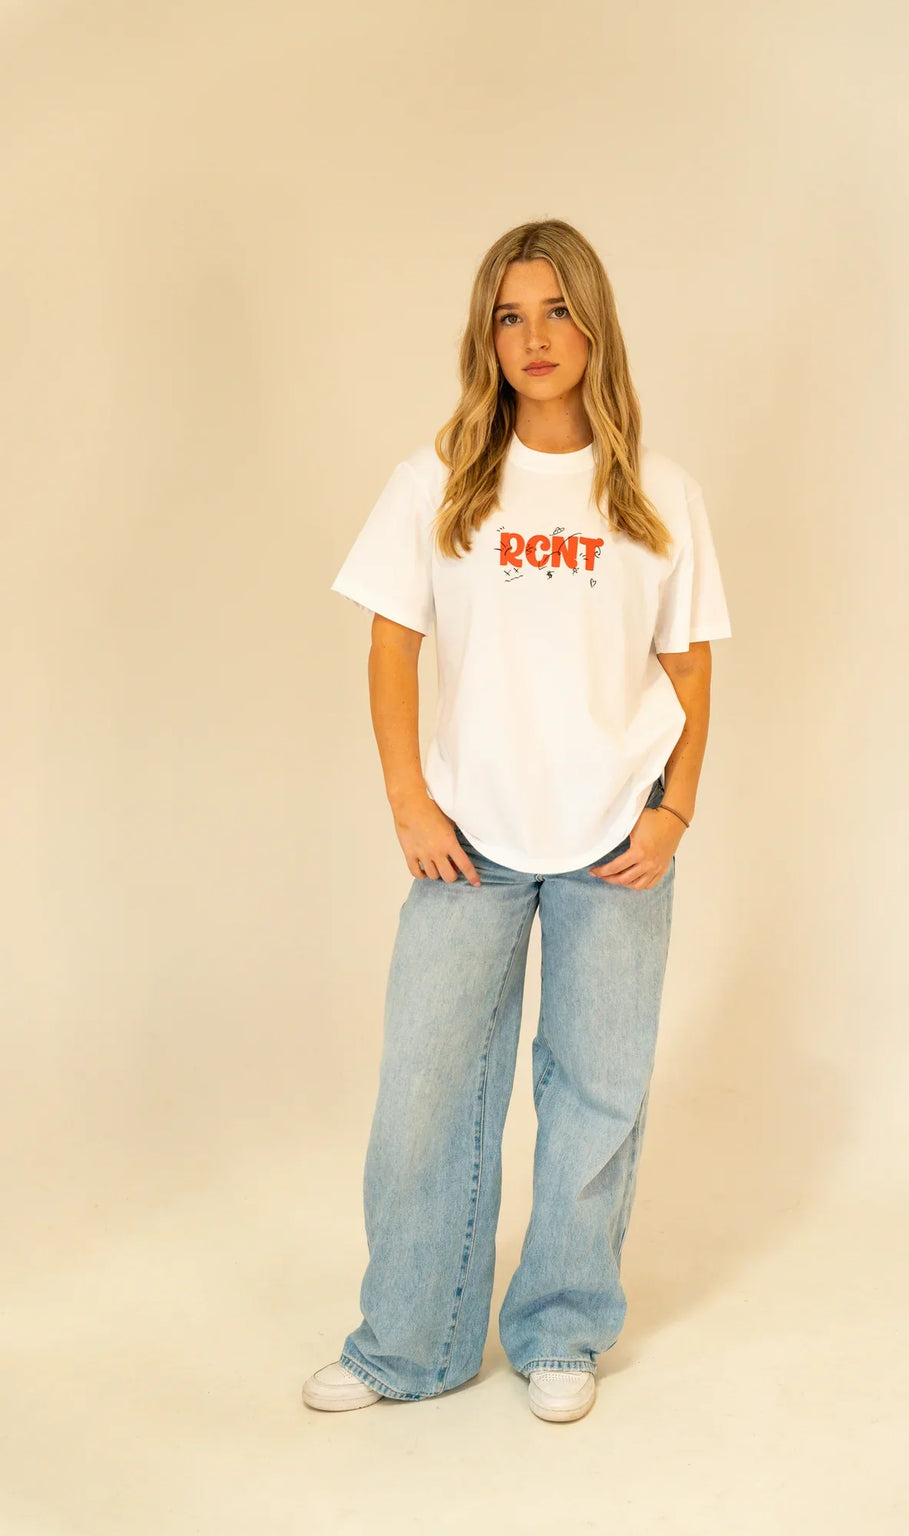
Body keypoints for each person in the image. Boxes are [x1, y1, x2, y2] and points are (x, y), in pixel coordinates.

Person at [302, 218, 732, 1423]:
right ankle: (412, 1345)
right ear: (483, 336)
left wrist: (675, 811)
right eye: (508, 314)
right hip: (468, 838)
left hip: (616, 842)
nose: (532, 338)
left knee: (596, 1094)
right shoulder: (436, 481)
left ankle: (560, 1331)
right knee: (428, 1091)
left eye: (554, 311)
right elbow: (394, 642)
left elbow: (689, 670)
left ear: (594, 327)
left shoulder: (656, 495)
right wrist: (407, 797)